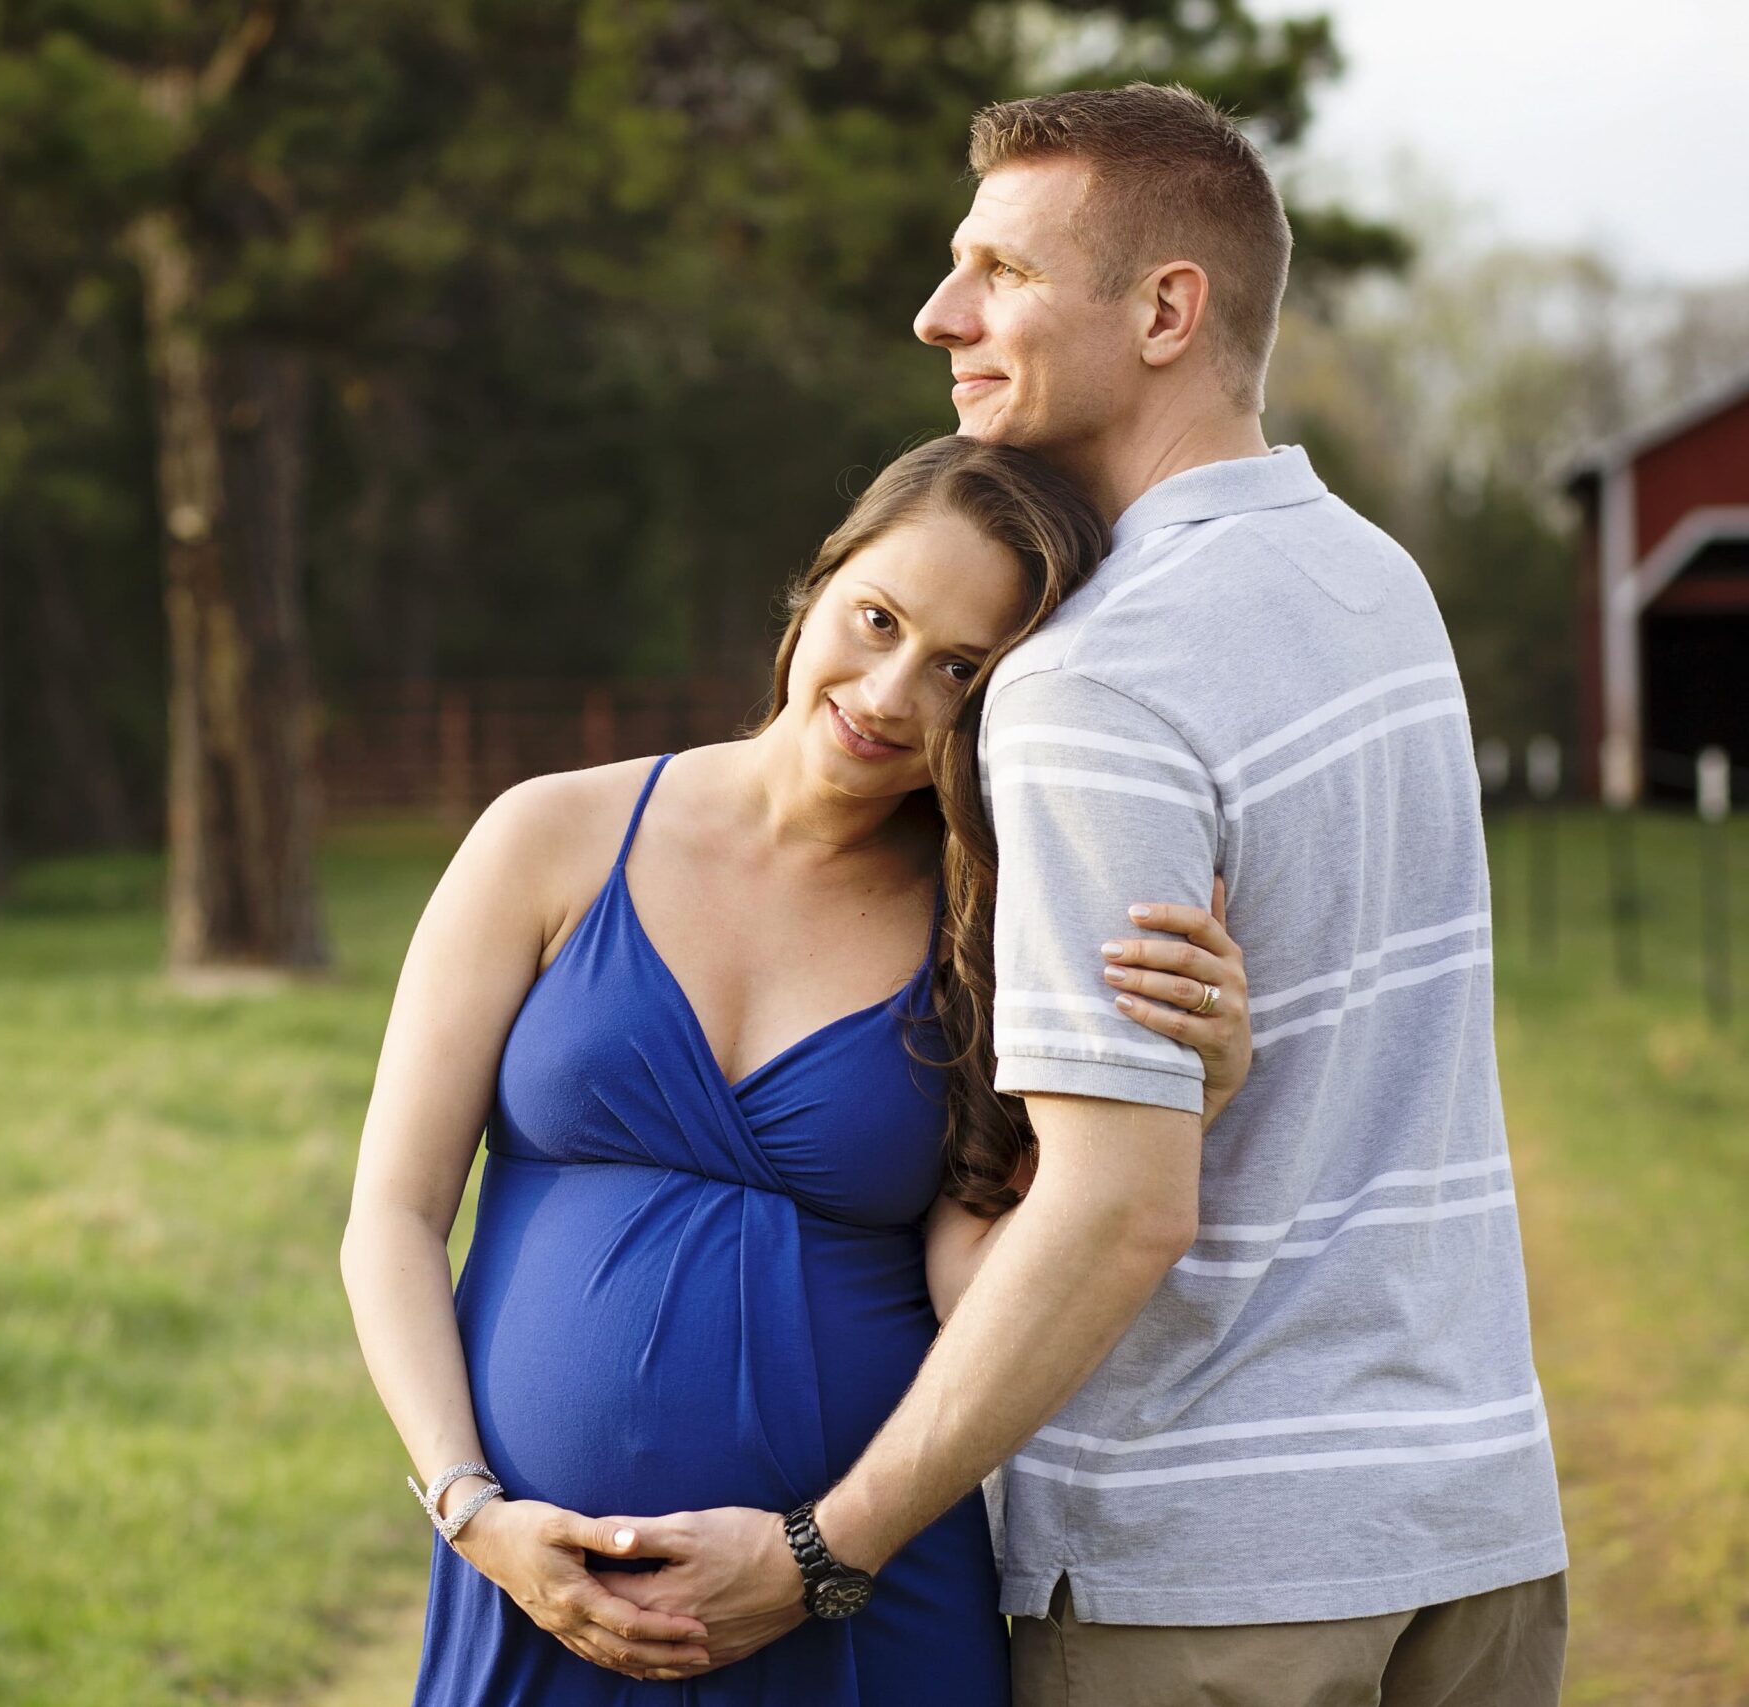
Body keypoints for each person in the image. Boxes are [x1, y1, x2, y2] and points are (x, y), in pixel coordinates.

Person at [587, 84, 1570, 1707]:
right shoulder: (1377, 580)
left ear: (1166, 310)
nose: (938, 313)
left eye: (1001, 272)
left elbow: (1120, 1204)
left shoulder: (1096, 677)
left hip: (1212, 1578)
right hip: (1473, 1527)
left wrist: (829, 1548)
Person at [340, 433, 1254, 1703]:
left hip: (852, 1613)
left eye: (957, 668)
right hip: (537, 1599)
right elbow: (391, 1213)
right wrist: (471, 1508)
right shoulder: (545, 837)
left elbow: (978, 1288)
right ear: (815, 587)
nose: (887, 695)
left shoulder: (987, 934)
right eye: (875, 619)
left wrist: (1184, 1103)